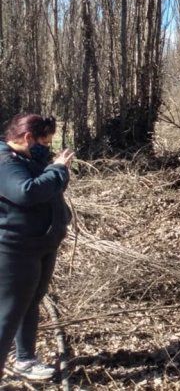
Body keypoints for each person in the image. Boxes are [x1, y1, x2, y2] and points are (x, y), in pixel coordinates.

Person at [0, 114, 74, 381]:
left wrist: (56, 170)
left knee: (30, 303)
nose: (47, 145)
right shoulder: (5, 161)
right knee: (9, 312)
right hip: (15, 249)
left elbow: (52, 188)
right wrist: (56, 170)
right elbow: (27, 192)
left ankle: (25, 359)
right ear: (27, 138)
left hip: (42, 244)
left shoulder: (31, 159)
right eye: (43, 140)